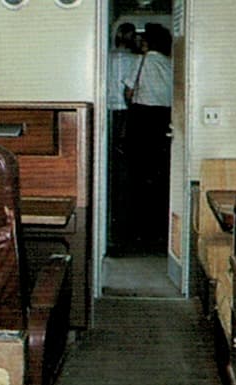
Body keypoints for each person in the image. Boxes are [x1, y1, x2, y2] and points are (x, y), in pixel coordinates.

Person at [125, 24, 173, 251]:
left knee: (137, 174)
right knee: (159, 174)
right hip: (164, 118)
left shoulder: (141, 61)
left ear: (148, 43)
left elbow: (129, 92)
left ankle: (137, 229)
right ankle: (158, 229)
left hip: (142, 118)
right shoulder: (171, 63)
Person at [105, 23, 140, 246]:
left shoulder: (105, 57)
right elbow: (130, 92)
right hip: (126, 114)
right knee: (125, 164)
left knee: (110, 163)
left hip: (106, 112)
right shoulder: (135, 60)